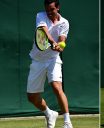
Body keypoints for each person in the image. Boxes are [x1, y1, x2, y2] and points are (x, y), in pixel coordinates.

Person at [27, 0, 73, 128]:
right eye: (47, 9)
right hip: (37, 60)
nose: (49, 12)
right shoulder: (40, 16)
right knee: (32, 97)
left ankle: (67, 122)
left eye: (52, 9)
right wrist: (53, 42)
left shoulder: (65, 22)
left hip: (53, 59)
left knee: (57, 87)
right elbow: (44, 31)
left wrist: (60, 46)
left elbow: (62, 40)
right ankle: (49, 113)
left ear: (58, 8)